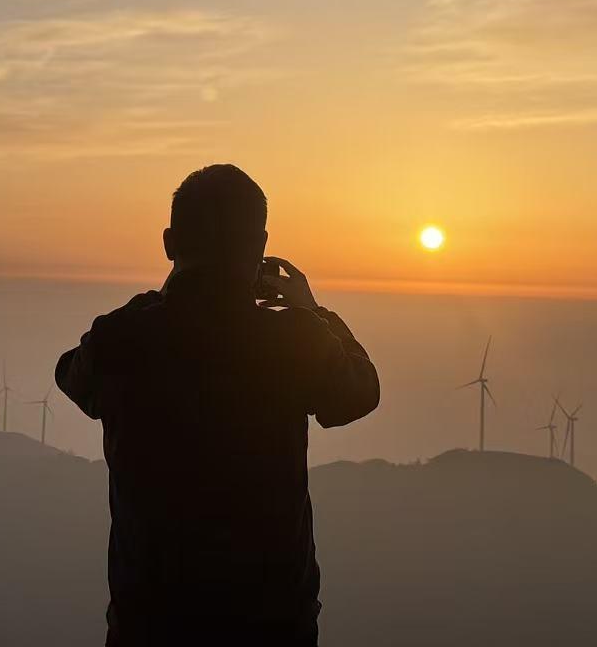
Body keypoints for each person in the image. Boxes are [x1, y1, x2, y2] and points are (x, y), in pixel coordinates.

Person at [56, 164, 380, 646]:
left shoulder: (123, 340)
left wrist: (163, 298)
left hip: (150, 625)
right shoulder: (294, 340)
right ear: (261, 245)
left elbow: (71, 376)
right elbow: (359, 393)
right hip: (272, 627)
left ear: (169, 243)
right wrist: (313, 310)